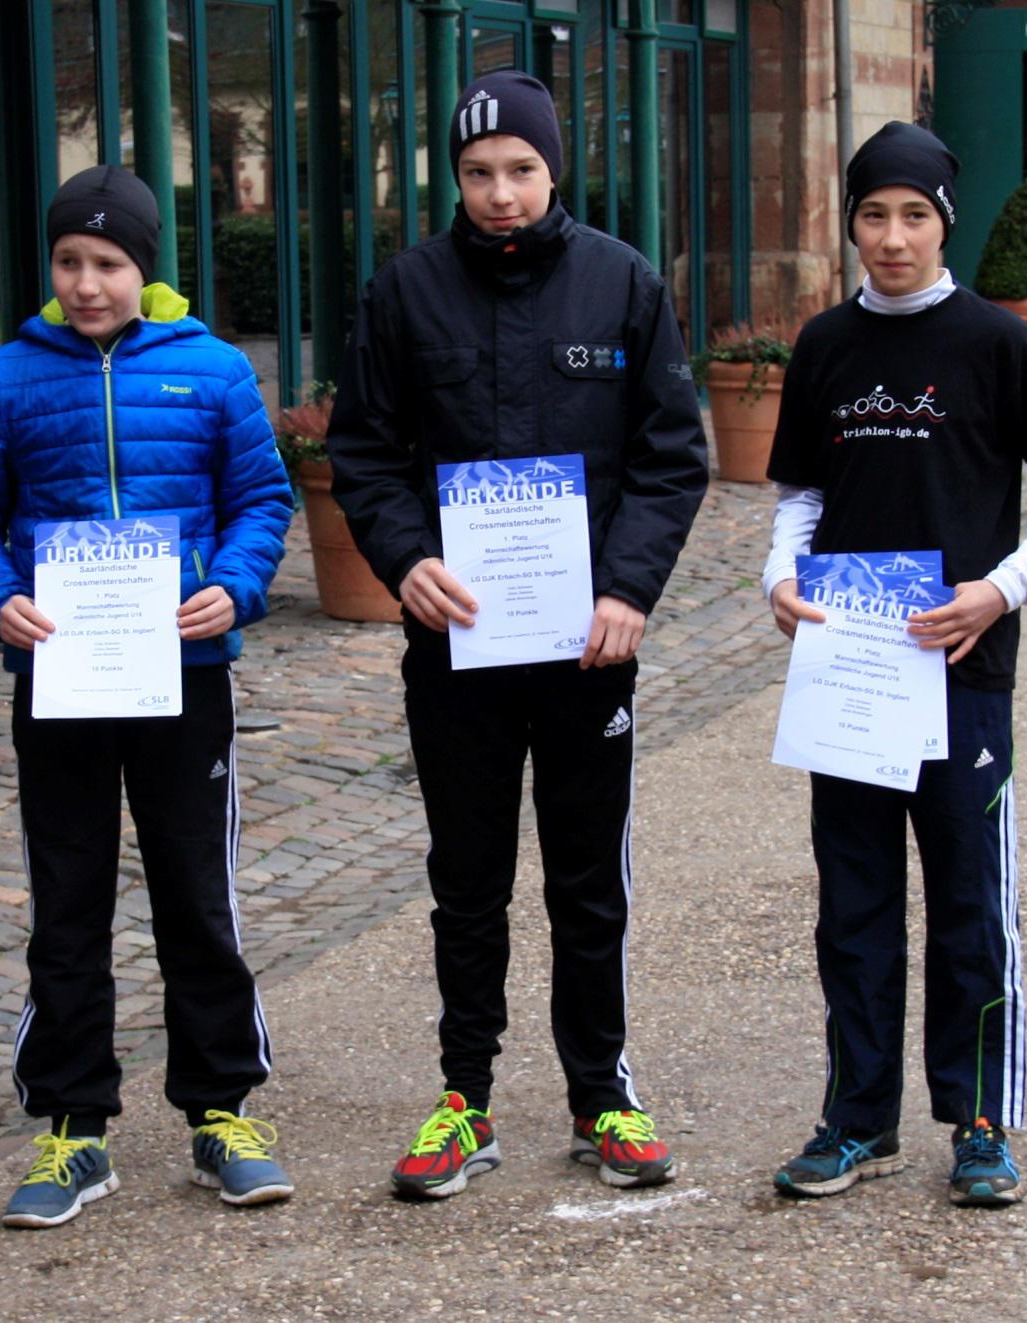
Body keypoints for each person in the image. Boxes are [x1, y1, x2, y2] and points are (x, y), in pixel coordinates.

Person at [327, 71, 707, 1198]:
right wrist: (405, 559)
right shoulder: (404, 293)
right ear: (456, 179)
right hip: (458, 650)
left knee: (588, 883)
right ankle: (462, 1099)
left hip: (588, 648)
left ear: (554, 172)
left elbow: (669, 457)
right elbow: (364, 453)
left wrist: (627, 588)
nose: (500, 194)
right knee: (467, 880)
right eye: (479, 174)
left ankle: (601, 1094)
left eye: (521, 172)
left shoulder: (621, 285)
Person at [0, 165, 295, 1228]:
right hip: (62, 679)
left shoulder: (214, 370)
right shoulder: (6, 379)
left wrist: (236, 585)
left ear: (145, 267)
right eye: (68, 261)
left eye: (107, 262)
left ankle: (220, 1110)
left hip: (182, 679)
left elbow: (260, 496)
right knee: (69, 900)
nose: (86, 282)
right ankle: (73, 1129)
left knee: (196, 891)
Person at [762, 122, 1027, 1207]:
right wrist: (780, 581)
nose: (891, 237)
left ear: (942, 221)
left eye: (912, 214)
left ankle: (980, 1120)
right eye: (872, 214)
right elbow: (799, 498)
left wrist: (997, 591)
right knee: (852, 902)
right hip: (850, 673)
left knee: (967, 901)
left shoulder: (995, 342)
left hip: (960, 669)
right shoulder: (823, 347)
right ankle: (856, 1118)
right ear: (849, 222)